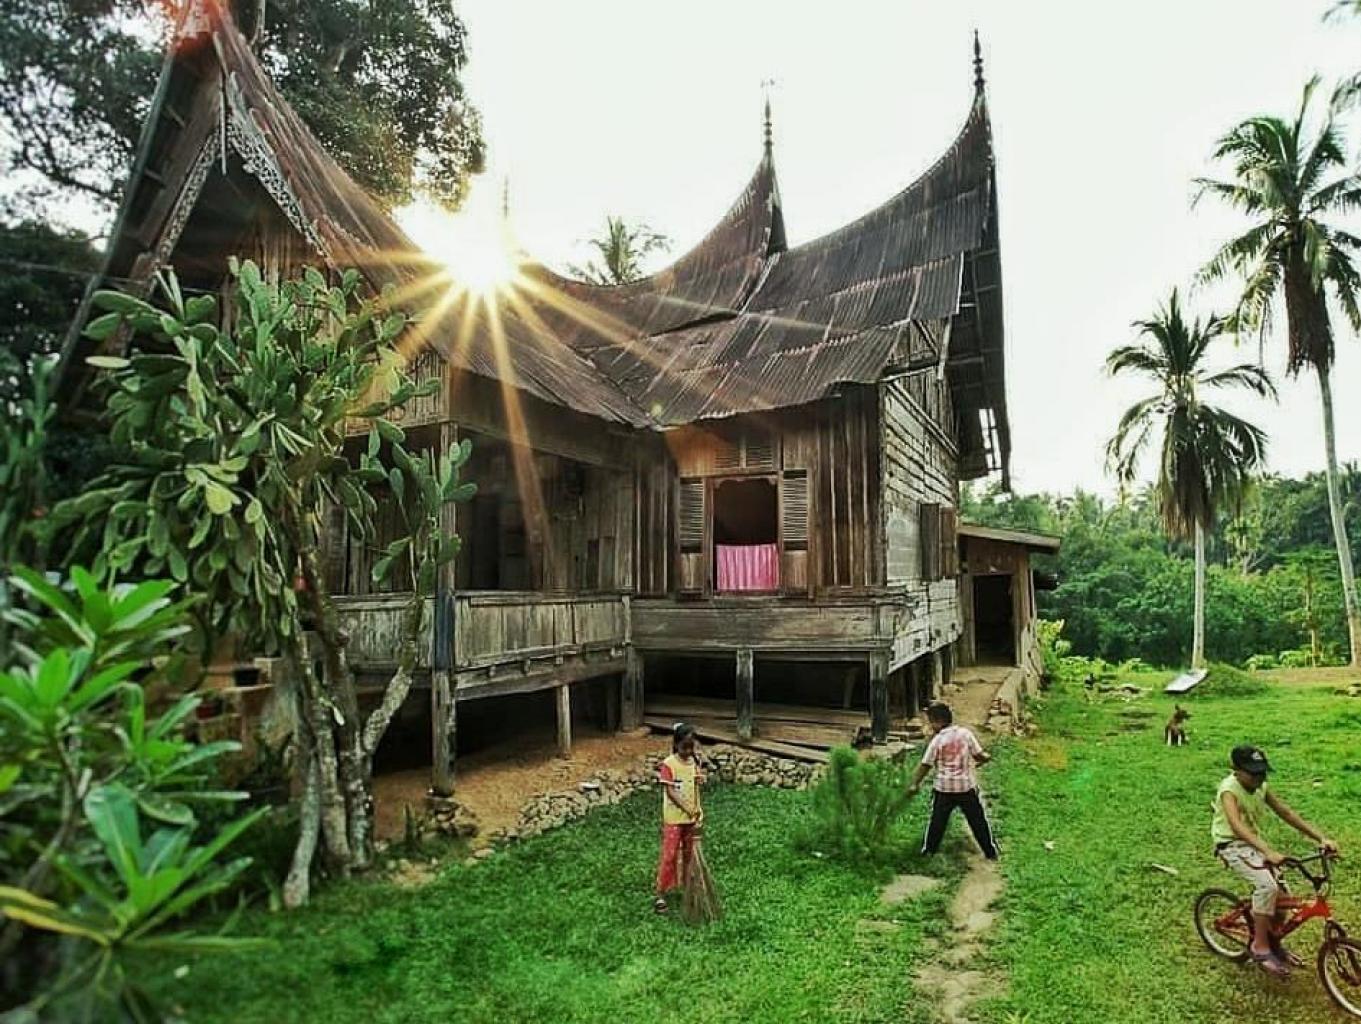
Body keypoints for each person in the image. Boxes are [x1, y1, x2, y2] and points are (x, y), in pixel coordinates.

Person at [1211, 744, 1339, 977]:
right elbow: (1236, 826)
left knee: (1282, 899)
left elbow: (1285, 812)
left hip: (1253, 843)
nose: (1259, 778)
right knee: (1267, 887)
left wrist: (1321, 838)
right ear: (1236, 770)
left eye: (1262, 772)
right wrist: (1268, 851)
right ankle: (1259, 945)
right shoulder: (1229, 790)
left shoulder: (1261, 786)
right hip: (1231, 844)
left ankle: (1273, 942)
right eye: (1253, 773)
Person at [907, 701, 998, 860]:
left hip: (944, 789)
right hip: (965, 788)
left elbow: (925, 765)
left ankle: (929, 852)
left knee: (937, 822)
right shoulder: (965, 734)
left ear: (938, 721)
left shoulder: (937, 740)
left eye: (931, 722)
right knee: (978, 821)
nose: (931, 726)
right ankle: (990, 852)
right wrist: (985, 758)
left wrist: (915, 784)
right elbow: (979, 755)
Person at [654, 722, 704, 914]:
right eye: (684, 747)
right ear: (676, 745)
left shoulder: (694, 763)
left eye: (691, 747)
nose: (688, 751)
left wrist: (697, 810)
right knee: (670, 855)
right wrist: (687, 808)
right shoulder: (669, 764)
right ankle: (661, 892)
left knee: (690, 854)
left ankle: (688, 886)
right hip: (674, 818)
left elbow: (695, 789)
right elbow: (671, 792)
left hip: (691, 818)